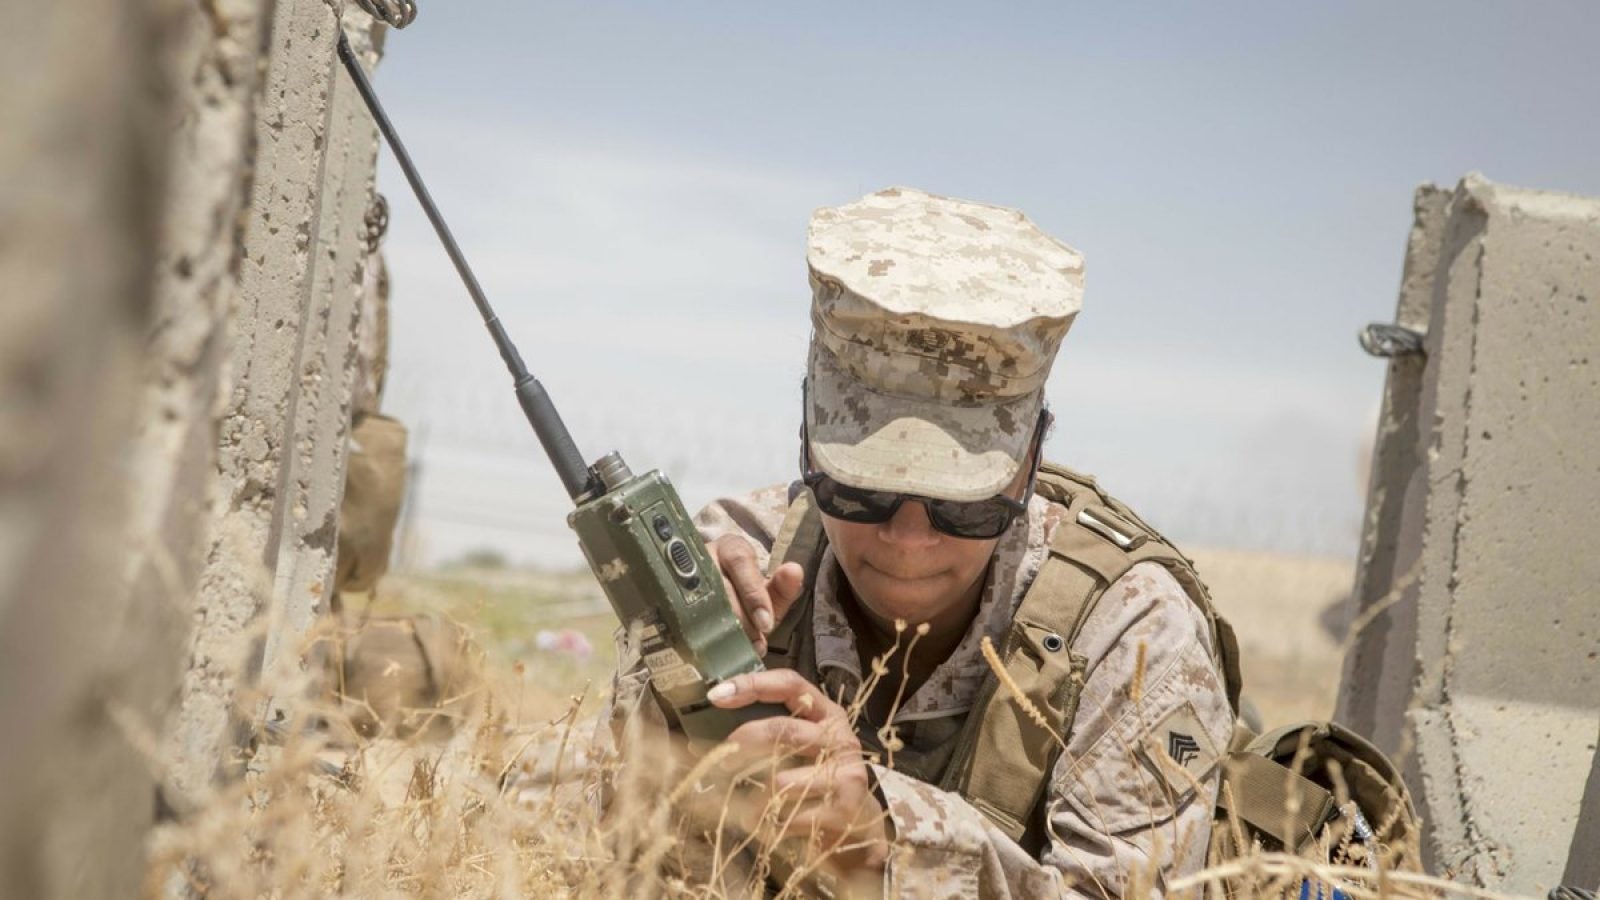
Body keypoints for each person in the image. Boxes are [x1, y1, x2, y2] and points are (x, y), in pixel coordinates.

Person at [599, 186, 1233, 898]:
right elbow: (606, 853)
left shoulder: (1132, 629)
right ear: (807, 439)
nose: (907, 538)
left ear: (1028, 463)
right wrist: (675, 684)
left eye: (960, 502)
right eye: (860, 489)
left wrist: (890, 843)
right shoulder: (742, 557)